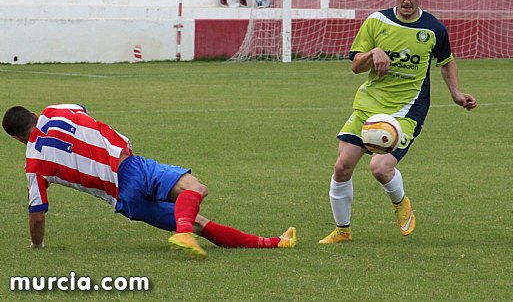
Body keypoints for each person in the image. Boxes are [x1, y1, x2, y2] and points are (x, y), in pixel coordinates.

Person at [2, 104, 297, 259]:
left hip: (123, 200)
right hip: (130, 167)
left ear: (17, 138)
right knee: (196, 189)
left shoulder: (34, 165)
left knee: (197, 221)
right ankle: (183, 234)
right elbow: (81, 110)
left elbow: (37, 213)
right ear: (33, 114)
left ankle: (274, 243)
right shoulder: (55, 110)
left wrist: (36, 245)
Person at [318, 0, 477, 244]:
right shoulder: (376, 21)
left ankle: (400, 202)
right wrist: (374, 52)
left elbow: (446, 60)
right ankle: (342, 230)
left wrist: (456, 93)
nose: (406, 1)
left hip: (406, 109)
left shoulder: (433, 28)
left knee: (380, 168)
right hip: (369, 104)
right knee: (342, 166)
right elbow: (356, 65)